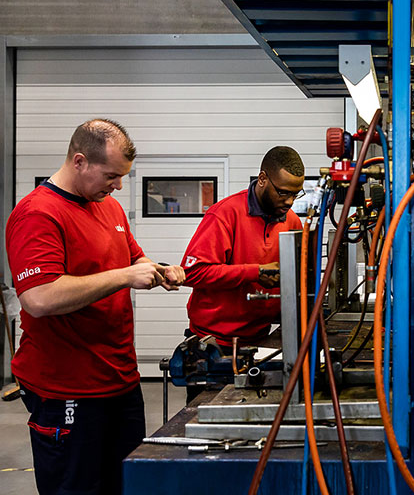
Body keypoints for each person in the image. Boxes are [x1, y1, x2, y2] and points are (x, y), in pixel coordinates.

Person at [5, 119, 185, 495]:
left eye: (122, 177)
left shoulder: (110, 209)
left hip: (119, 382)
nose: (118, 186)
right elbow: (38, 298)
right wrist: (124, 277)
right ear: (80, 161)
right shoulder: (38, 214)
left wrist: (160, 270)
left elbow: (135, 262)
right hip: (66, 388)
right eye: (112, 175)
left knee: (126, 485)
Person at [180, 146, 305, 399]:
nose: (289, 201)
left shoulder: (292, 222)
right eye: (283, 192)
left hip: (260, 344)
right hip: (215, 348)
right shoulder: (225, 214)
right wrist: (254, 272)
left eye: (295, 194)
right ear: (262, 179)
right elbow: (192, 273)